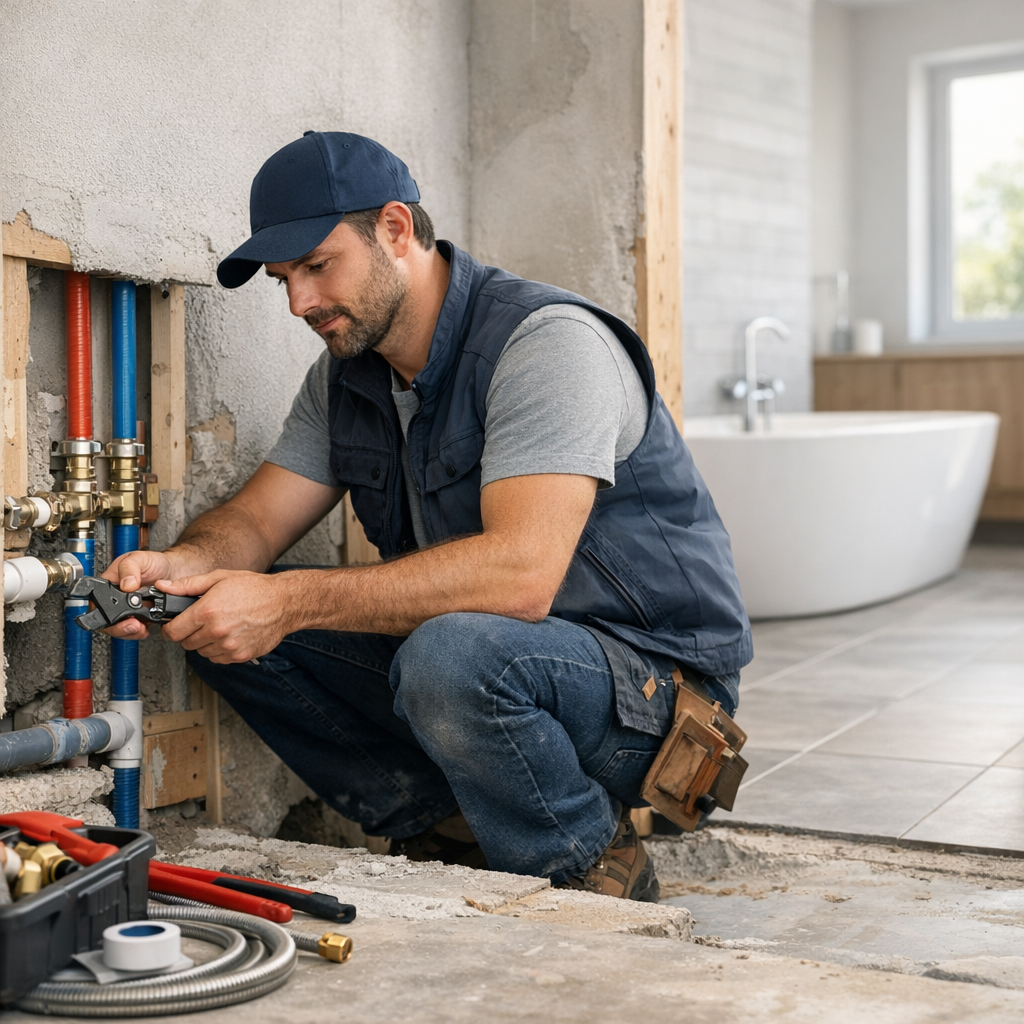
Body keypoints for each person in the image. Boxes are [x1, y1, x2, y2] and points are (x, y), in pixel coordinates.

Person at [104, 131, 752, 901]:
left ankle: (589, 867)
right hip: (493, 662)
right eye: (285, 279)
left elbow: (520, 579)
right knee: (216, 621)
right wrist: (186, 567)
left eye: (317, 266)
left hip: (654, 696)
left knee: (450, 654)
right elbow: (254, 523)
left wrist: (287, 601)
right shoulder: (347, 378)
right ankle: (449, 828)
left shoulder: (546, 345)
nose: (300, 302)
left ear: (396, 230)